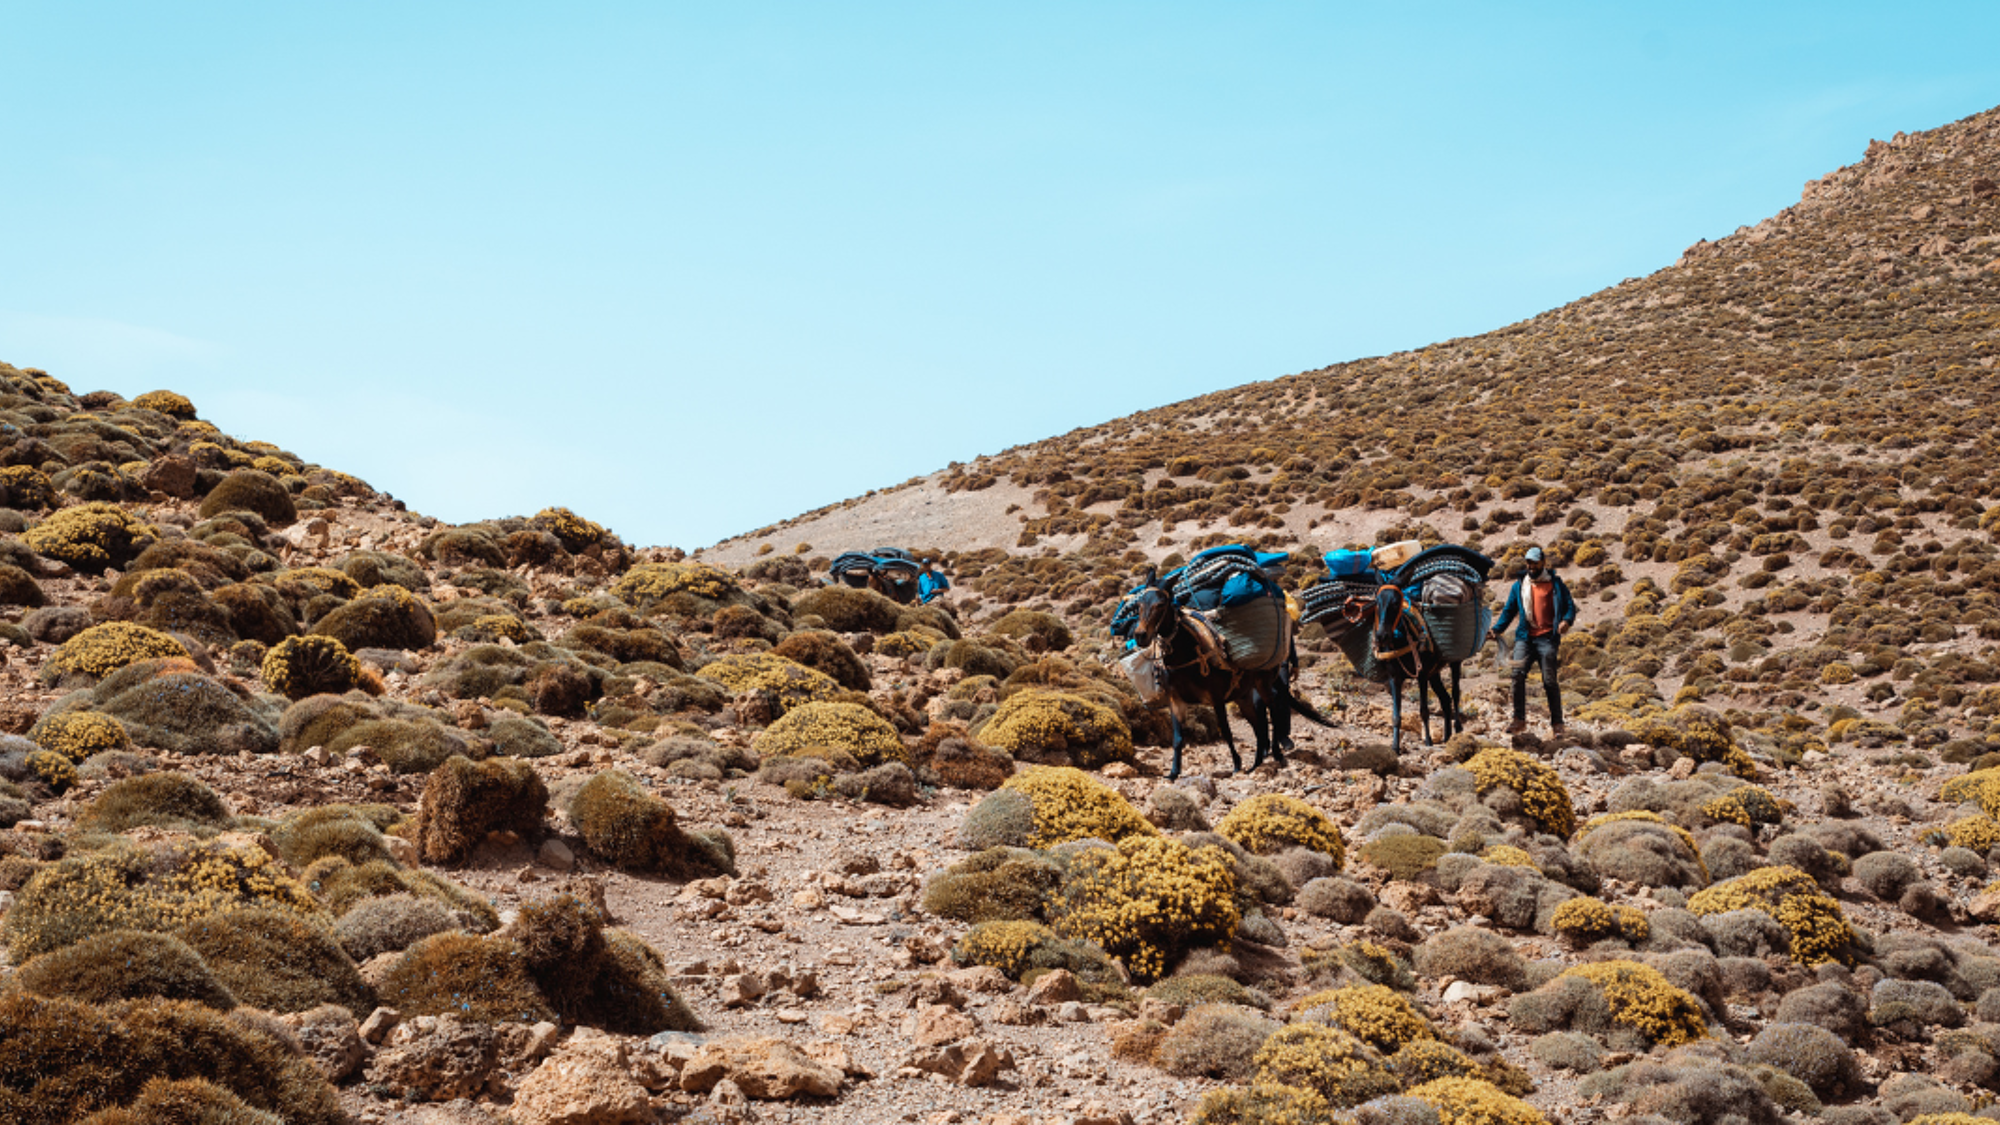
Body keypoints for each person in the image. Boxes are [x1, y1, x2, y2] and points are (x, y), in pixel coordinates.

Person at [1488, 546, 1576, 734]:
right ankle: (1519, 719)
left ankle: (1557, 723)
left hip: (1547, 638)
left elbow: (1570, 606)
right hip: (1525, 638)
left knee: (1549, 680)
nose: (1531, 566)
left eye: (1535, 562)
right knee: (1517, 675)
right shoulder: (1519, 585)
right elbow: (1509, 610)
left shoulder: (1556, 584)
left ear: (1543, 562)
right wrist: (1497, 629)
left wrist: (1566, 621)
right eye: (1528, 562)